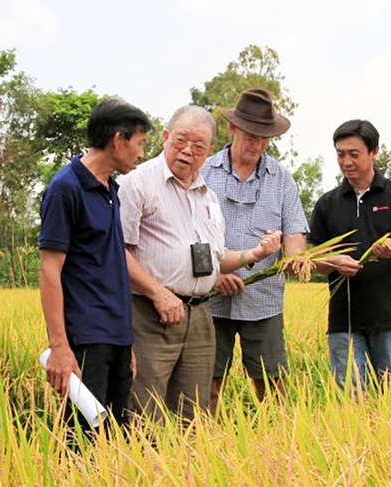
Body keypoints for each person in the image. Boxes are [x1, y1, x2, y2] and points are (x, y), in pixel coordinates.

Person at [117, 105, 282, 422]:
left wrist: (254, 254)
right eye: (180, 141)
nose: (187, 151)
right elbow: (116, 251)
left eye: (198, 146)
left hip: (199, 315)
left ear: (209, 152)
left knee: (193, 415)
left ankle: (189, 472)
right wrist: (157, 292)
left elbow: (217, 258)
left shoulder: (206, 195)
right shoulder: (136, 184)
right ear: (165, 137)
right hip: (150, 314)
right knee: (144, 410)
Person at [39, 97, 153, 432]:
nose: (142, 153)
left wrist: (125, 342)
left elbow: (113, 263)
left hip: (116, 337)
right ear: (118, 139)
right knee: (83, 442)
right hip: (86, 339)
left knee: (117, 438)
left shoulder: (111, 189)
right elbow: (49, 270)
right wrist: (60, 347)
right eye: (140, 143)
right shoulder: (65, 189)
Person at [201, 89, 309, 412]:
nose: (257, 145)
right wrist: (215, 273)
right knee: (207, 381)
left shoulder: (282, 179)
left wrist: (295, 257)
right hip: (210, 298)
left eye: (264, 138)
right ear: (233, 129)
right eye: (250, 136)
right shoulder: (204, 172)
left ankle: (277, 449)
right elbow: (188, 232)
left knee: (272, 382)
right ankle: (204, 447)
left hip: (263, 298)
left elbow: (295, 231)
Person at [309, 119, 391, 392]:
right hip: (344, 321)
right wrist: (333, 262)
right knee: (349, 401)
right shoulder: (328, 203)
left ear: (374, 152)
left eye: (354, 154)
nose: (346, 161)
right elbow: (313, 260)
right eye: (340, 154)